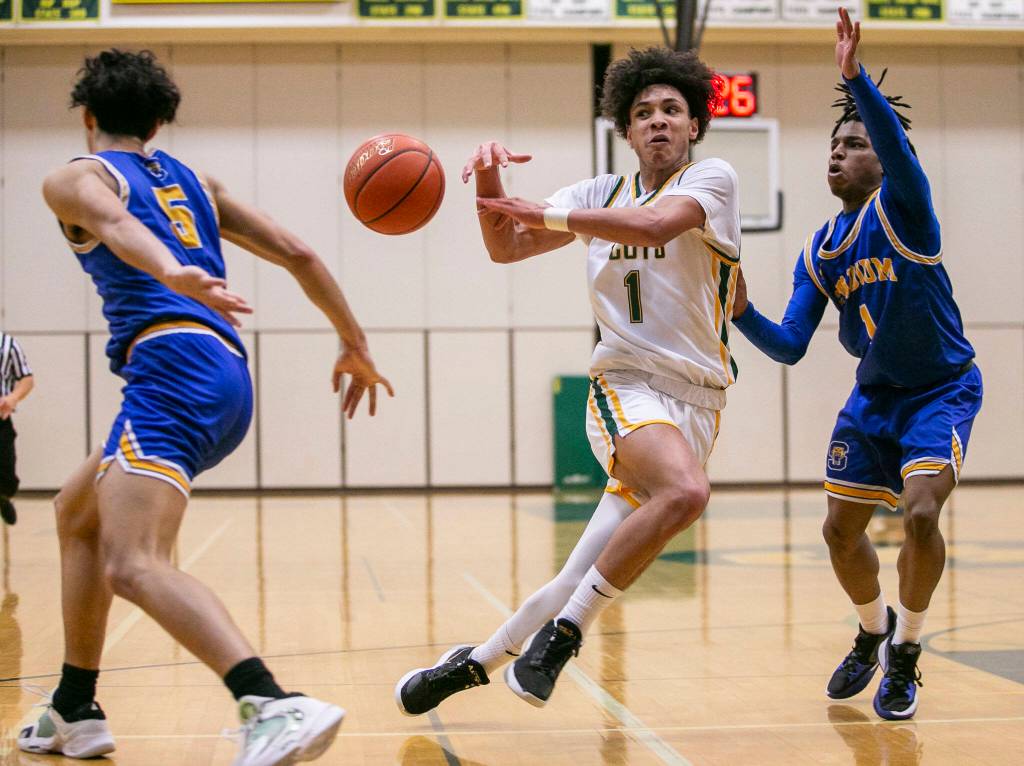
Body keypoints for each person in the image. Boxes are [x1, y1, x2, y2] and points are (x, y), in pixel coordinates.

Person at [17, 49, 393, 764]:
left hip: (172, 366)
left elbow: (113, 221)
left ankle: (271, 703)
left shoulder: (75, 177)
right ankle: (74, 706)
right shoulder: (197, 183)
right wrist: (354, 342)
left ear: (88, 117)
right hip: (223, 370)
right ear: (158, 123)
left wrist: (169, 270)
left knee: (133, 562)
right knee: (76, 511)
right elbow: (299, 252)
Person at [395, 46, 740, 715]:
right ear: (627, 130)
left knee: (575, 577)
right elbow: (506, 246)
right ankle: (566, 636)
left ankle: (472, 664)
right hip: (627, 385)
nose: (659, 120)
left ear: (694, 124)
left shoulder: (712, 180)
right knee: (687, 492)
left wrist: (544, 214)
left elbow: (655, 225)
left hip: (699, 404)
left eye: (672, 110)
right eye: (644, 112)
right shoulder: (597, 195)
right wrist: (488, 177)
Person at [731, 9, 982, 721]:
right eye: (834, 144)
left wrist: (854, 80)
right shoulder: (821, 247)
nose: (838, 153)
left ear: (884, 155)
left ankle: (905, 650)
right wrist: (741, 310)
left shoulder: (905, 209)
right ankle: (872, 631)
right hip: (873, 400)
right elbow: (790, 344)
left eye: (855, 142)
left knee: (922, 514)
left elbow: (897, 148)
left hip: (940, 390)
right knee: (838, 532)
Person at [0, 332, 33, 525]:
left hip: (1, 418)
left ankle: (3, 496)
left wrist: (13, 398)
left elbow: (27, 379)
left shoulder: (8, 344)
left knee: (7, 474)